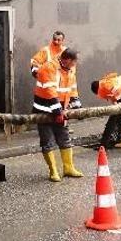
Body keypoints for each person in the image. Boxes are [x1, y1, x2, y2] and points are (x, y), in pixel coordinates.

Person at [33, 48, 83, 182]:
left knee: (65, 139)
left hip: (61, 111)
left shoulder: (70, 70)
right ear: (66, 60)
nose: (75, 65)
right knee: (47, 141)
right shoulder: (49, 68)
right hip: (44, 111)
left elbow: (72, 89)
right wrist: (58, 112)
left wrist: (76, 103)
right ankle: (53, 171)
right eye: (74, 62)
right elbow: (50, 92)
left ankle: (68, 168)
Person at [30, 31, 81, 109]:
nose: (56, 41)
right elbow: (35, 61)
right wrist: (37, 73)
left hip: (62, 90)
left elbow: (72, 80)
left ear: (63, 41)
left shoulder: (67, 52)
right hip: (48, 84)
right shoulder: (46, 50)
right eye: (54, 39)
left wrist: (74, 99)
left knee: (60, 113)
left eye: (58, 40)